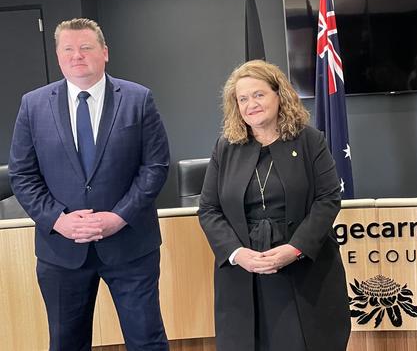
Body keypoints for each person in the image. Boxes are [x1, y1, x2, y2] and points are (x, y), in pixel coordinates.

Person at [9, 18, 170, 350]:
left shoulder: (138, 99)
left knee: (146, 340)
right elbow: (22, 175)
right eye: (68, 49)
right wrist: (59, 220)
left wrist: (118, 217)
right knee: (67, 343)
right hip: (61, 252)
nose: (76, 56)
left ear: (104, 52)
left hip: (130, 247)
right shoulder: (33, 105)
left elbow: (155, 167)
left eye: (85, 47)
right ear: (58, 55)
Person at [197, 60, 350, 351]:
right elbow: (209, 209)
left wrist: (295, 249)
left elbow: (328, 199)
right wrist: (236, 253)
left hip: (302, 271)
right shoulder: (225, 147)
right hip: (245, 271)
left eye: (258, 94)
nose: (250, 104)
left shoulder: (310, 141)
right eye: (242, 99)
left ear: (279, 95)